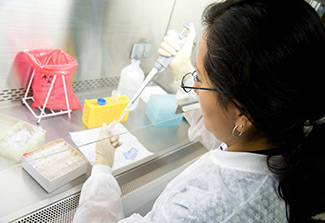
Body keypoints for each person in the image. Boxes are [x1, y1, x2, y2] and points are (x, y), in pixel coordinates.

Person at [73, 0, 325, 222]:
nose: (192, 86)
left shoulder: (199, 212)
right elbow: (227, 136)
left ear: (244, 115)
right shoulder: (285, 138)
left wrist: (102, 171)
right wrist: (183, 65)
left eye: (200, 78)